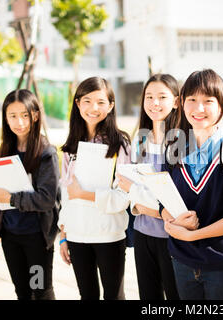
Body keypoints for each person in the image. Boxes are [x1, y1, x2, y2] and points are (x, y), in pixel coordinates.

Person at [162, 69, 223, 300]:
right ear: (182, 103)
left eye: (208, 101)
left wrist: (194, 235)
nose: (199, 109)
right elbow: (163, 197)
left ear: (221, 106)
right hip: (182, 261)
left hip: (221, 264)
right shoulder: (175, 149)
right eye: (192, 100)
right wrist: (170, 221)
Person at [58, 77, 131, 300]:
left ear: (110, 106)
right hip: (77, 235)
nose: (93, 108)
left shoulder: (120, 143)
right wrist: (63, 234)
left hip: (108, 234)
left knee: (113, 296)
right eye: (87, 101)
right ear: (78, 103)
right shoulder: (71, 144)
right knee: (87, 296)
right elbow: (66, 193)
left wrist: (84, 195)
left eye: (100, 102)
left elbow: (123, 197)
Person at [0, 89, 60, 300]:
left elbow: (46, 200)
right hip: (11, 237)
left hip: (36, 238)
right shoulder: (7, 149)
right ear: (5, 118)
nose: (19, 122)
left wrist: (11, 198)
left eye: (25, 115)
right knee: (22, 291)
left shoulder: (46, 153)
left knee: (40, 290)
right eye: (13, 116)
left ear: (35, 115)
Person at [116, 73, 182, 300]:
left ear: (176, 101)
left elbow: (176, 200)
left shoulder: (182, 142)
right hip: (144, 233)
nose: (154, 103)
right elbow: (133, 184)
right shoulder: (141, 140)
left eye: (162, 97)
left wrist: (144, 204)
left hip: (172, 237)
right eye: (149, 96)